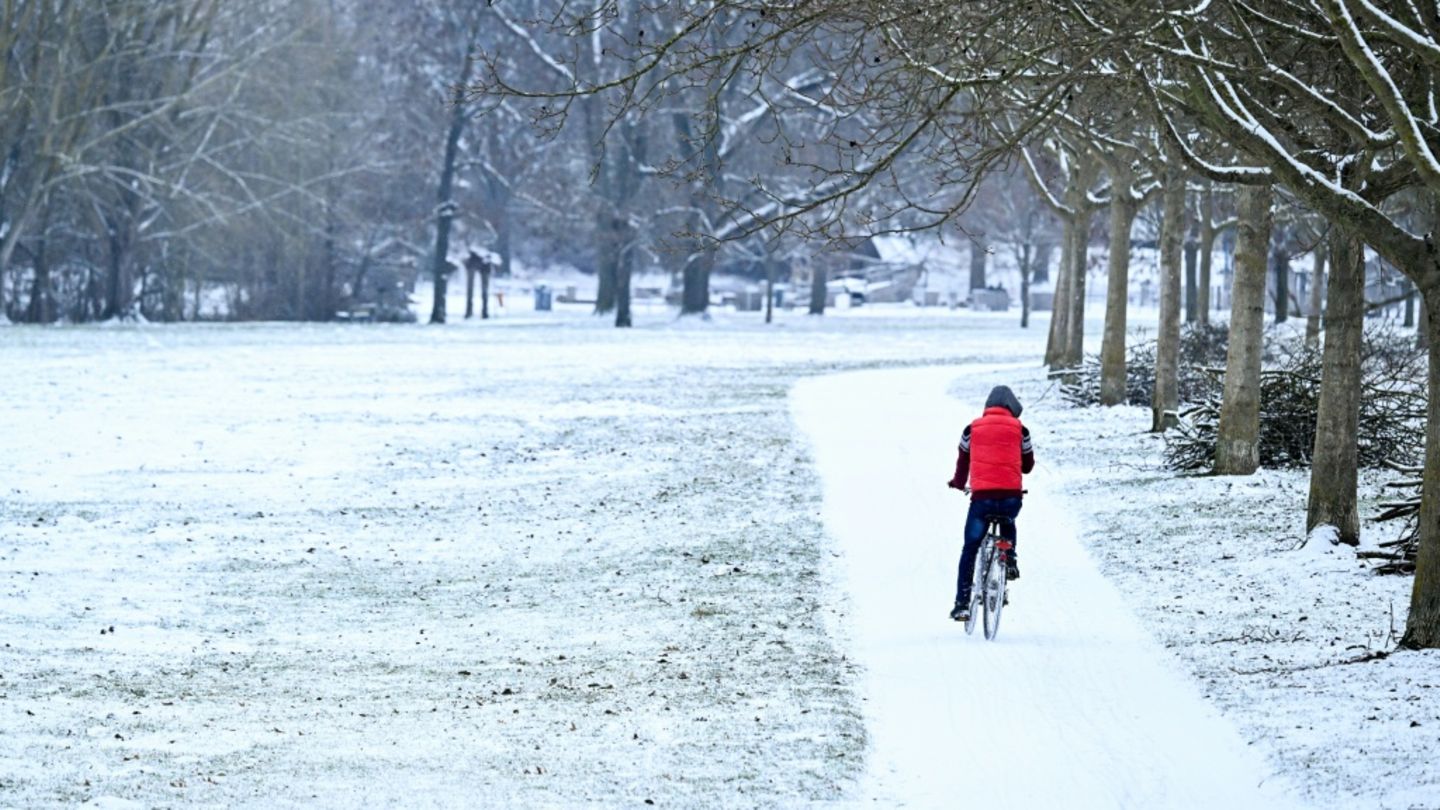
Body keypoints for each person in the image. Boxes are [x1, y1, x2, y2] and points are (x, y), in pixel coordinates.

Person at [946, 385, 1035, 622]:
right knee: (1008, 519)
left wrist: (958, 483)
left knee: (970, 547)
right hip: (1010, 498)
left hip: (982, 500)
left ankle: (962, 605)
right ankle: (1009, 556)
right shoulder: (1021, 430)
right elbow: (1028, 466)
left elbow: (963, 462)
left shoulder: (971, 429)